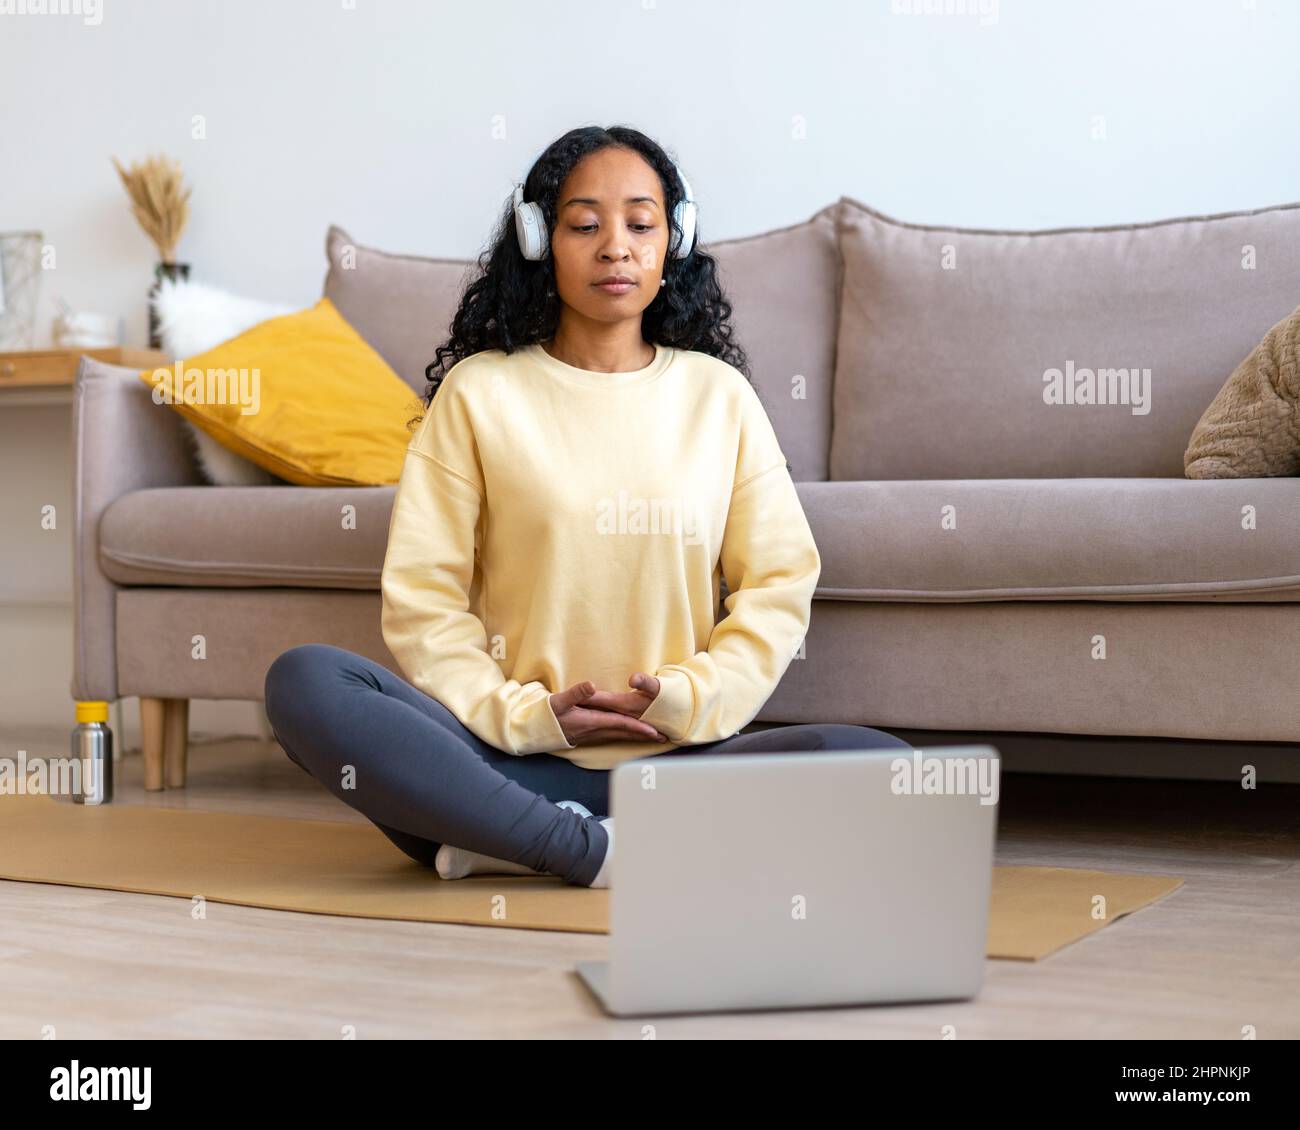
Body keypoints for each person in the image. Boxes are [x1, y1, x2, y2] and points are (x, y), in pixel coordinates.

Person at [263, 125, 911, 889]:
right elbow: (424, 602)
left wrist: (683, 700)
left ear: (675, 242)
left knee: (886, 770)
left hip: (676, 766)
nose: (616, 247)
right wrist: (529, 717)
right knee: (305, 680)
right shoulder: (479, 393)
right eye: (584, 225)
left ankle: (503, 844)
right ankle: (584, 849)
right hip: (499, 765)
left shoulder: (719, 398)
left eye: (641, 224)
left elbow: (777, 585)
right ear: (540, 240)